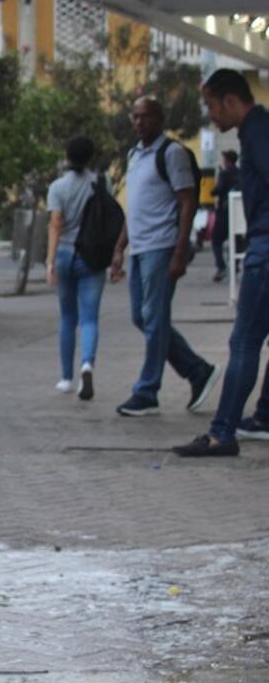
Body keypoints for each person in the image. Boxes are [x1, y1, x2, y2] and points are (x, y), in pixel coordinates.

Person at [173, 69, 269, 456]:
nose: (211, 115)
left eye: (212, 106)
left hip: (266, 250)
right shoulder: (257, 129)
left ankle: (221, 432)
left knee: (244, 341)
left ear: (231, 101)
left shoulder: (258, 130)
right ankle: (264, 415)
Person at [110, 97, 219, 417]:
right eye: (135, 117)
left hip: (162, 246)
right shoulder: (134, 155)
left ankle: (147, 391)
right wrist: (119, 247)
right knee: (141, 317)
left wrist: (181, 251)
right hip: (140, 248)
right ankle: (198, 370)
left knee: (155, 318)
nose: (140, 122)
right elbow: (136, 207)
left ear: (159, 118)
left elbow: (187, 202)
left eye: (146, 116)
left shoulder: (170, 154)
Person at [46, 136, 109, 400]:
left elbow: (56, 224)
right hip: (93, 256)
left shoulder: (58, 187)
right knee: (90, 318)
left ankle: (65, 378)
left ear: (68, 156)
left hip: (64, 255)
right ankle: (87, 364)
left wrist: (50, 261)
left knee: (67, 318)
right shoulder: (101, 184)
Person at [211, 150, 239, 282]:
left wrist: (213, 190)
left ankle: (221, 267)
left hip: (224, 211)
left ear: (227, 160)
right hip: (238, 212)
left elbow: (218, 190)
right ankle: (235, 265)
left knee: (216, 240)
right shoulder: (240, 173)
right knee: (236, 240)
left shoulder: (224, 173)